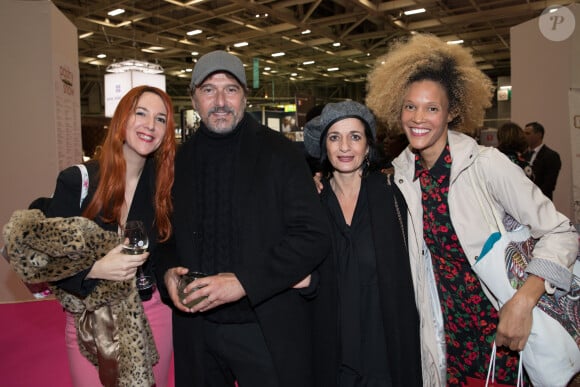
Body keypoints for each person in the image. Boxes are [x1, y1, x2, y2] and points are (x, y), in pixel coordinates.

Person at [365, 34, 578, 386]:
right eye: (410, 106)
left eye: (432, 108)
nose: (419, 118)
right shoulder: (403, 177)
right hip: (445, 335)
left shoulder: (485, 165)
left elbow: (561, 231)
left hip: (502, 330)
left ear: (452, 113)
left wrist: (524, 301)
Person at [155, 50, 331, 387]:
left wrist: (243, 282)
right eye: (209, 90)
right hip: (197, 332)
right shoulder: (178, 162)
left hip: (264, 328)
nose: (220, 101)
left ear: (245, 97)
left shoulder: (281, 153)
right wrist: (167, 274)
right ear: (194, 99)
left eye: (230, 89)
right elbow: (163, 235)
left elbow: (312, 235)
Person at [45, 85, 176, 386]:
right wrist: (95, 269)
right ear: (122, 119)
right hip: (91, 320)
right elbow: (48, 261)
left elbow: (171, 249)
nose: (150, 125)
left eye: (160, 119)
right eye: (140, 113)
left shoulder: (164, 188)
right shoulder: (78, 181)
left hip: (151, 314)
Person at [304, 101, 422, 386]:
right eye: (334, 137)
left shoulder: (393, 196)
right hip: (330, 351)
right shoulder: (310, 204)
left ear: (368, 146)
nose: (345, 146)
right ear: (324, 147)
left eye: (355, 136)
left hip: (384, 349)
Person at [523, 121, 561, 199]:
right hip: (523, 200)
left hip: (541, 201)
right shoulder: (523, 154)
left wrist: (533, 197)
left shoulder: (551, 156)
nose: (524, 136)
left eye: (527, 134)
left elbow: (549, 184)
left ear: (539, 135)